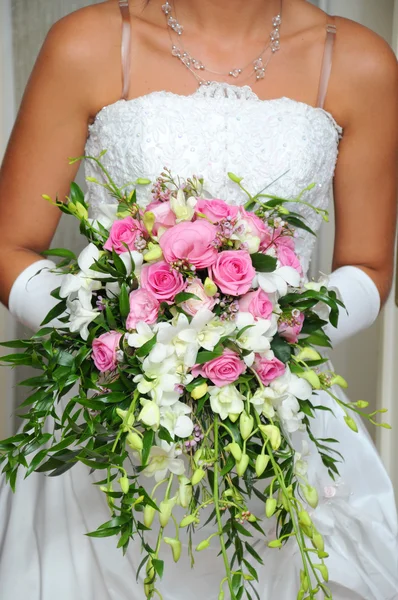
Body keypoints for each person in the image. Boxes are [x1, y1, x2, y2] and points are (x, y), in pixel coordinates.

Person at [0, 0, 397, 598]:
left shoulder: (359, 61)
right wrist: (119, 335)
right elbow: (9, 247)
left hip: (277, 421)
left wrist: (265, 334)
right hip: (108, 433)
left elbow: (369, 268)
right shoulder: (88, 43)